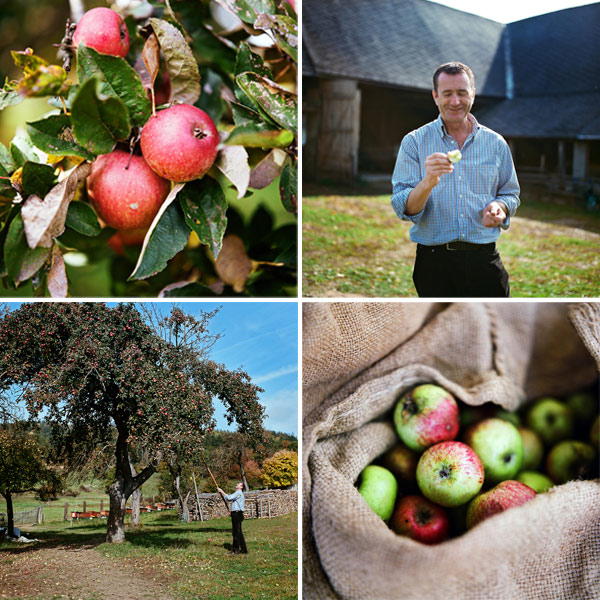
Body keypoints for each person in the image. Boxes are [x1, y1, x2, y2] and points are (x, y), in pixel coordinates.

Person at [391, 62, 520, 297]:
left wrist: (499, 206)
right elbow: (403, 208)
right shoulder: (414, 142)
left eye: (462, 93)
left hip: (485, 260)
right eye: (447, 94)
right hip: (434, 264)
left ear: (472, 94)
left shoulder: (496, 143)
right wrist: (427, 181)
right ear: (435, 96)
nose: (455, 101)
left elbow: (510, 194)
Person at [217, 482, 247, 554]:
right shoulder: (238, 493)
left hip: (237, 514)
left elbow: (229, 498)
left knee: (236, 532)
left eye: (238, 484)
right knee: (239, 532)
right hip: (236, 513)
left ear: (241, 487)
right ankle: (243, 550)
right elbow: (234, 502)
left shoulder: (238, 492)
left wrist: (221, 491)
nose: (236, 484)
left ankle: (235, 550)